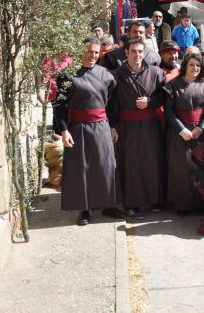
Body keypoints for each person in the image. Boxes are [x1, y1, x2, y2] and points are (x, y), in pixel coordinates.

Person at [54, 38, 121, 225]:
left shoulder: (107, 75)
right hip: (77, 126)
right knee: (80, 169)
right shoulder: (67, 76)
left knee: (105, 165)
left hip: (101, 126)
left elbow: (112, 104)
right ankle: (84, 209)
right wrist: (64, 130)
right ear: (81, 51)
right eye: (89, 51)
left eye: (96, 52)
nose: (93, 55)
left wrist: (113, 126)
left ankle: (108, 205)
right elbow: (59, 106)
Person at [111, 39, 166, 219]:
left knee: (152, 162)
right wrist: (112, 126)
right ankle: (131, 204)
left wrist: (150, 102)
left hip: (150, 124)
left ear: (145, 53)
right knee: (130, 164)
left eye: (140, 51)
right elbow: (110, 103)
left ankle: (154, 199)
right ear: (126, 52)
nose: (137, 55)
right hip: (127, 126)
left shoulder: (156, 72)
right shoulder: (116, 75)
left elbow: (164, 97)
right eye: (133, 51)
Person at [162, 52, 204, 214]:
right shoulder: (173, 85)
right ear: (185, 65)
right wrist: (181, 129)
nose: (195, 68)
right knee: (182, 168)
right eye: (191, 64)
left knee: (200, 167)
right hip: (179, 133)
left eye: (198, 65)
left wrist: (201, 128)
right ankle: (182, 204)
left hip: (201, 133)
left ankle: (200, 204)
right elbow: (169, 112)